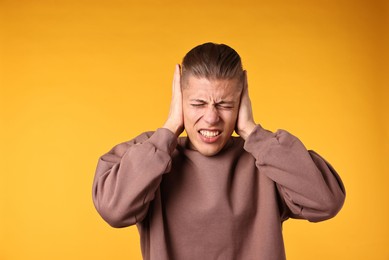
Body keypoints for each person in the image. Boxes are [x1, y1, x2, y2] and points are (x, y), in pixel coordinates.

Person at [92, 42, 346, 260]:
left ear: (242, 101)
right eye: (198, 103)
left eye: (225, 104)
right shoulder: (151, 157)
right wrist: (169, 129)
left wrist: (252, 132)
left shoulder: (267, 159)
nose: (211, 118)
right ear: (179, 99)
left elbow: (327, 202)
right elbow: (114, 210)